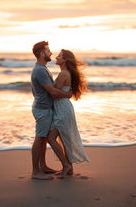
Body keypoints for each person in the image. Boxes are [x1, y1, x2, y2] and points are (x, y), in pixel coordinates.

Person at [31, 41, 72, 180]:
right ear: (42, 53)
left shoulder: (42, 68)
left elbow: (37, 90)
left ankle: (43, 166)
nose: (51, 53)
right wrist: (67, 95)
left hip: (44, 108)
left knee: (43, 139)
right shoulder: (40, 70)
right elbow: (53, 92)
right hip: (42, 110)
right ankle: (36, 172)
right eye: (48, 51)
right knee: (39, 138)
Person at [47, 49, 90, 178]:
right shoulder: (66, 73)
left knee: (50, 138)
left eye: (59, 56)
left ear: (64, 60)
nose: (56, 57)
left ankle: (65, 165)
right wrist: (66, 94)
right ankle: (69, 168)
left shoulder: (63, 74)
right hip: (64, 108)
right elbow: (63, 94)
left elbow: (54, 94)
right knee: (65, 139)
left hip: (62, 109)